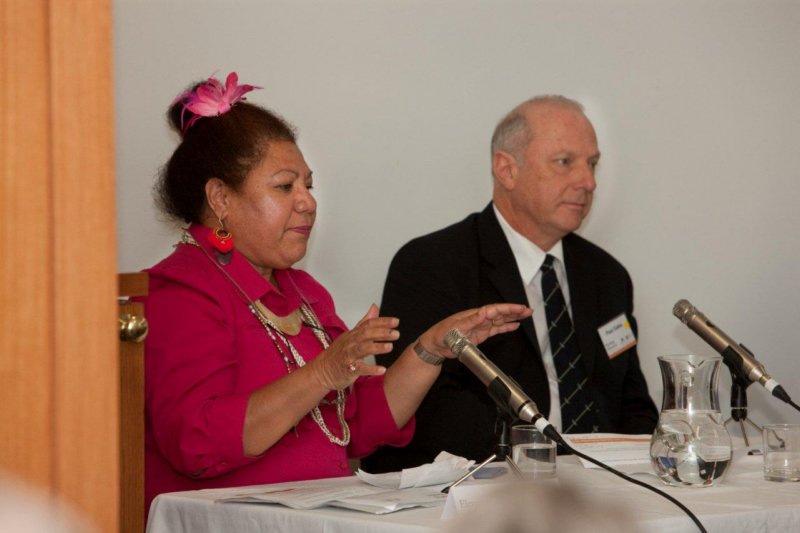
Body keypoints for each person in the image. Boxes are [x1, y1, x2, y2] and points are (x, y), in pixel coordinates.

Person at [140, 72, 531, 513]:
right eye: (284, 186)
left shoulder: (305, 292)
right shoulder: (180, 291)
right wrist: (323, 373)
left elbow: (356, 427)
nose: (307, 202)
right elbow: (196, 443)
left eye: (308, 185)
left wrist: (431, 349)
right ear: (220, 199)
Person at [363, 95, 658, 473]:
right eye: (564, 162)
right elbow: (430, 413)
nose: (588, 182)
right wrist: (547, 466)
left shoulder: (607, 275)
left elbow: (632, 407)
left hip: (596, 488)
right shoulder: (431, 264)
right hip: (482, 487)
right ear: (506, 170)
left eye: (592, 164)